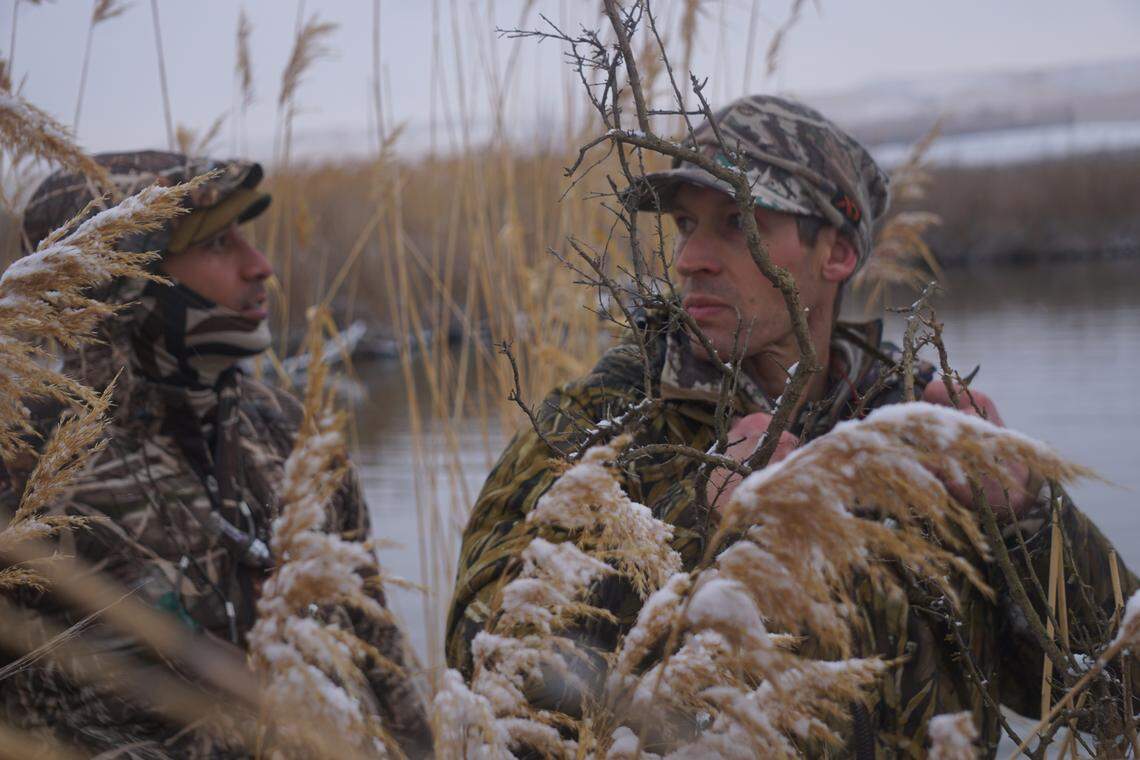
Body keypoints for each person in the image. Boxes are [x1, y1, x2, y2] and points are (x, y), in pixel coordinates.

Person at [446, 96, 1139, 756]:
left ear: (835, 254)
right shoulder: (602, 422)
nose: (690, 258)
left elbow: (1115, 697)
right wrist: (706, 531)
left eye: (738, 222)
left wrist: (1027, 518)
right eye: (687, 225)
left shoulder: (919, 436)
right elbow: (490, 669)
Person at [0, 151, 431, 757]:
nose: (261, 267)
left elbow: (381, 662)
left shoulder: (284, 428)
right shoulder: (23, 462)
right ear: (129, 275)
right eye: (218, 244)